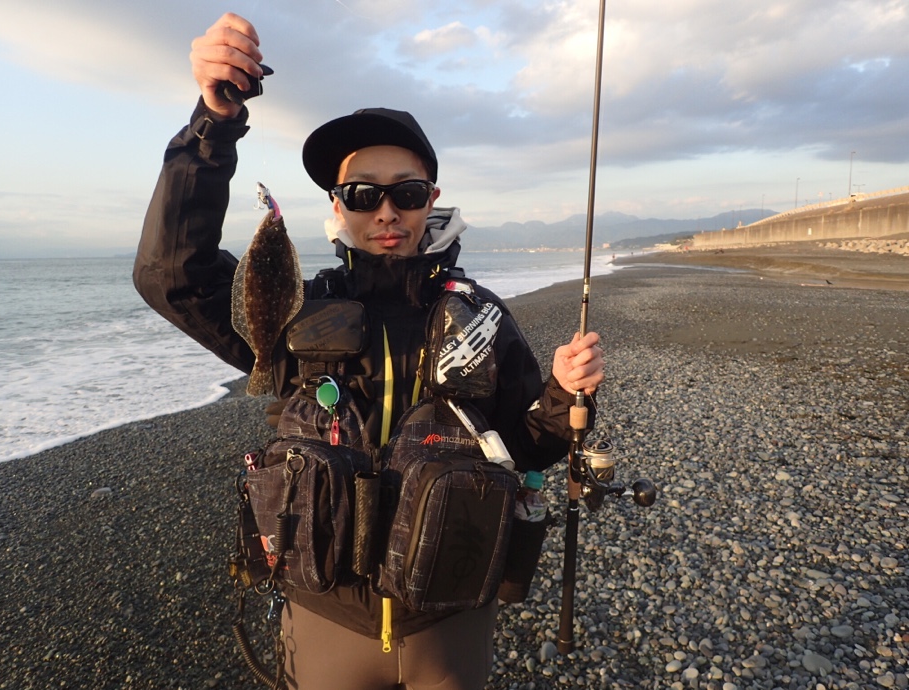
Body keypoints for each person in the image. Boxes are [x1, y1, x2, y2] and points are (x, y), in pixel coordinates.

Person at [134, 12, 604, 690]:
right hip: (325, 613)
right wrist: (214, 124)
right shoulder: (295, 313)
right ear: (337, 206)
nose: (385, 212)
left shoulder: (480, 318)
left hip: (449, 616)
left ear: (430, 200)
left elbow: (530, 447)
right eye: (362, 194)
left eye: (405, 193)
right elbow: (170, 276)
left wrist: (563, 393)